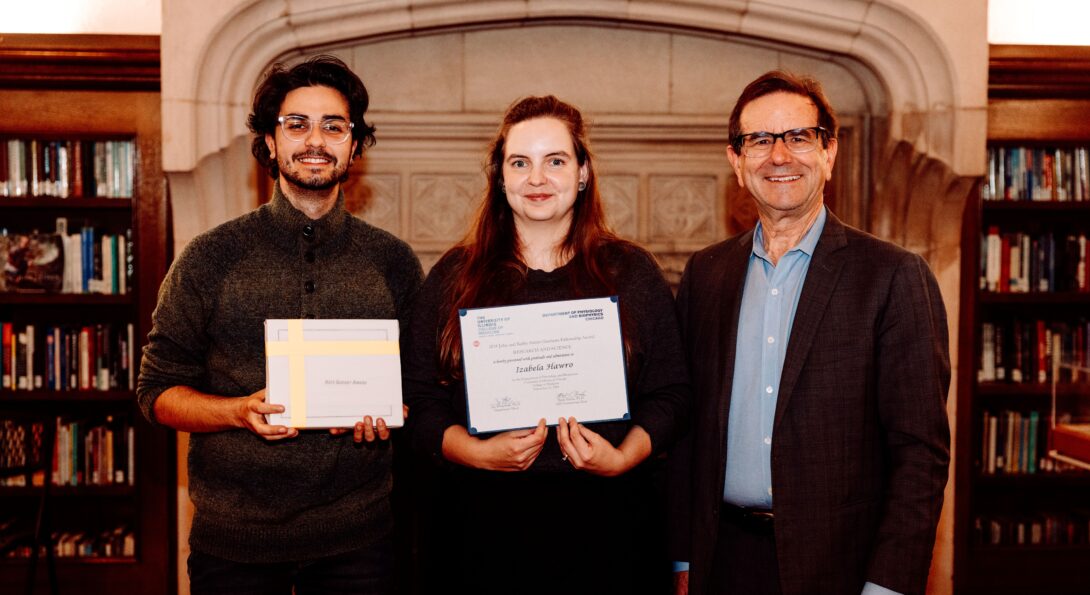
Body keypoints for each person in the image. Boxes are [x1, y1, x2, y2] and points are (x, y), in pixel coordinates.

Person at [137, 55, 423, 595]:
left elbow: (420, 389)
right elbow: (155, 392)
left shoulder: (394, 261)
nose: (315, 139)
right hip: (235, 545)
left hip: (359, 542)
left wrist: (393, 413)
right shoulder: (209, 256)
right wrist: (236, 412)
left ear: (354, 145)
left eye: (334, 126)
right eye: (297, 124)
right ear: (270, 142)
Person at [668, 70, 951, 595]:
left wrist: (886, 587)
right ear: (736, 160)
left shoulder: (892, 276)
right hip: (721, 561)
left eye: (798, 137)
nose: (780, 156)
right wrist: (682, 559)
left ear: (829, 153)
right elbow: (687, 433)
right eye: (760, 140)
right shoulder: (705, 275)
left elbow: (920, 455)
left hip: (840, 568)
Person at [402, 95, 690, 593]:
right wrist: (473, 452)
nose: (537, 179)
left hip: (610, 526)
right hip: (480, 529)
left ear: (582, 173)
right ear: (501, 177)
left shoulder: (632, 272)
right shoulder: (453, 275)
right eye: (520, 163)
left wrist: (623, 458)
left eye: (555, 161)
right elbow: (420, 399)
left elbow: (671, 394)